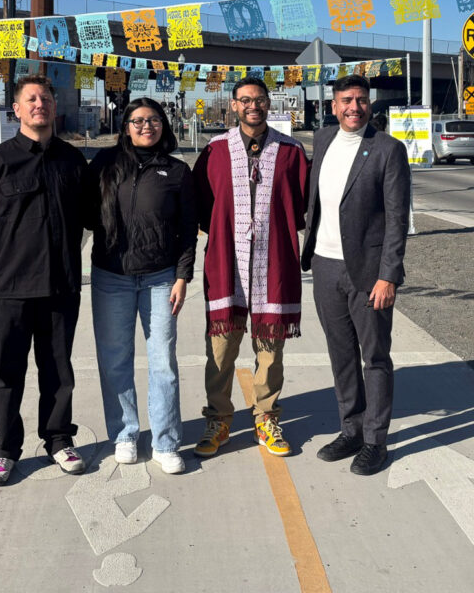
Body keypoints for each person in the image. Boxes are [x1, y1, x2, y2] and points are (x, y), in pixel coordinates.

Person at [0, 74, 92, 486]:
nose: (40, 104)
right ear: (15, 109)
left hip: (61, 287)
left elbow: (94, 216)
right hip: (10, 289)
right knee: (7, 373)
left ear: (55, 107)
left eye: (46, 98)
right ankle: (4, 450)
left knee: (58, 371)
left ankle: (58, 439)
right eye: (31, 99)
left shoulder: (72, 161)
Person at [192, 79, 310, 458]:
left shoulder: (291, 152)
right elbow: (201, 208)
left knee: (270, 349)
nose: (252, 106)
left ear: (268, 103)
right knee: (222, 349)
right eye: (245, 100)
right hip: (227, 261)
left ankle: (266, 416)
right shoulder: (214, 151)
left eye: (259, 100)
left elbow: (304, 205)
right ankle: (219, 419)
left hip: (273, 263)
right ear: (233, 105)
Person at [301, 75, 411, 476]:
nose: (354, 107)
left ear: (371, 105)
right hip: (325, 265)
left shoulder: (387, 150)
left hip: (368, 271)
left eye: (361, 100)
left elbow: (398, 219)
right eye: (346, 100)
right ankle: (351, 429)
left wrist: (389, 276)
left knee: (375, 357)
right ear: (333, 105)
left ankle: (375, 441)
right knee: (341, 354)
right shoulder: (323, 140)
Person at [88, 98, 198, 475]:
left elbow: (188, 230)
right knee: (115, 359)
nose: (145, 126)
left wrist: (183, 275)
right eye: (137, 121)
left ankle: (166, 442)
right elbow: (84, 213)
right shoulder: (104, 165)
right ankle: (124, 434)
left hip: (160, 277)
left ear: (163, 125)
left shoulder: (178, 171)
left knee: (162, 362)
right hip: (110, 278)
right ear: (126, 127)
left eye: (153, 120)